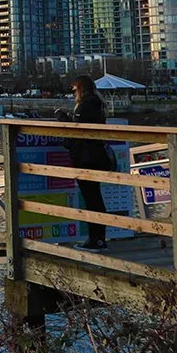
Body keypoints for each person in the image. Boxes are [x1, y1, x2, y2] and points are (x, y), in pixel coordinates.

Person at [65, 75, 111, 251]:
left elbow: (79, 133)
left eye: (74, 89)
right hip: (96, 156)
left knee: (91, 198)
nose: (73, 93)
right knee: (95, 197)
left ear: (81, 89)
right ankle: (98, 238)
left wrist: (63, 121)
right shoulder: (97, 104)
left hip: (87, 158)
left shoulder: (85, 105)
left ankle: (96, 239)